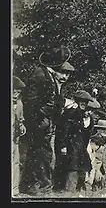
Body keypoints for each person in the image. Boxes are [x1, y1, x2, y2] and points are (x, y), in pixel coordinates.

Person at [21, 46, 75, 194]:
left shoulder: (51, 77)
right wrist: (41, 118)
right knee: (40, 154)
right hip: (39, 124)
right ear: (56, 66)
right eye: (62, 70)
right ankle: (40, 187)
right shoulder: (40, 75)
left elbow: (52, 100)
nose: (65, 76)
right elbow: (30, 101)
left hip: (47, 124)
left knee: (41, 154)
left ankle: (36, 186)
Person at [57, 90, 100, 192]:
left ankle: (79, 189)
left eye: (85, 102)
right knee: (72, 167)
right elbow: (63, 131)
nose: (83, 104)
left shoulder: (88, 118)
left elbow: (86, 135)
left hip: (80, 147)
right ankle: (68, 189)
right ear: (76, 101)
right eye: (81, 102)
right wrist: (63, 146)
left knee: (82, 166)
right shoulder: (70, 113)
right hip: (70, 145)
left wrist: (87, 121)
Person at [12, 76, 27, 196]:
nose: (15, 94)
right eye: (13, 91)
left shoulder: (20, 104)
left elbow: (21, 119)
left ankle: (14, 189)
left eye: (18, 92)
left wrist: (22, 126)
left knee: (16, 162)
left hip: (15, 138)